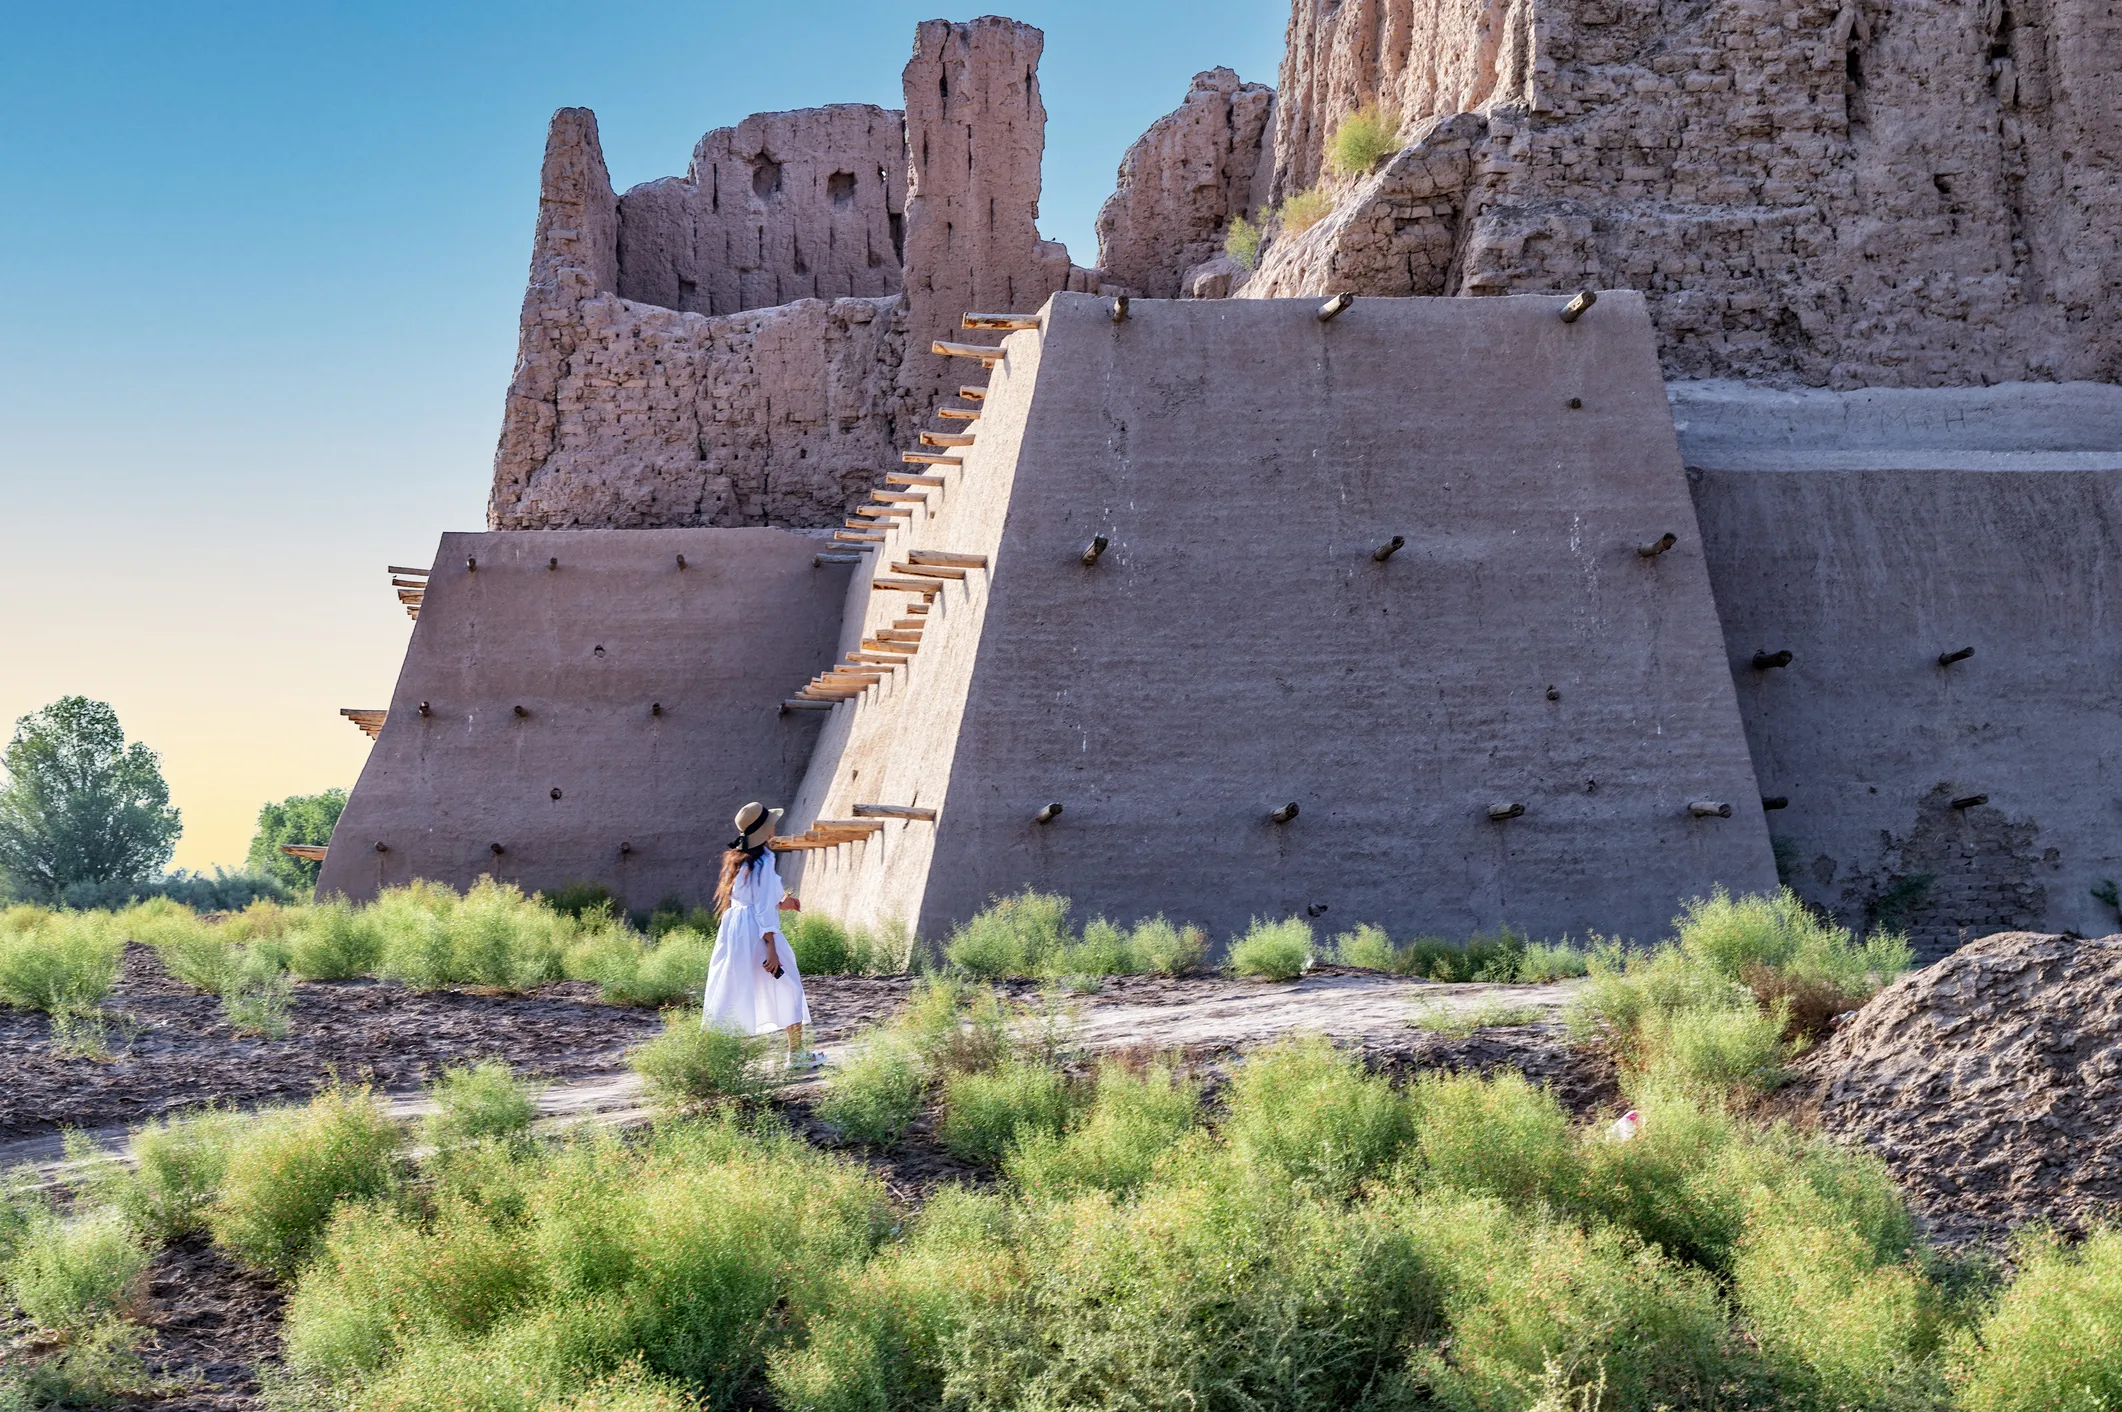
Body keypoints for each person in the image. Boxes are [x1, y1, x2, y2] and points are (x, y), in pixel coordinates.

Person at [700, 801, 818, 1069]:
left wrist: (784, 902)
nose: (774, 826)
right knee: (789, 983)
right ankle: (796, 1055)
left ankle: (711, 1058)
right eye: (770, 824)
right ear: (765, 831)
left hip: (736, 930)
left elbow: (757, 897)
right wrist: (771, 948)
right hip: (757, 929)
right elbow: (763, 908)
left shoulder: (739, 860)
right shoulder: (764, 860)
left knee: (730, 989)